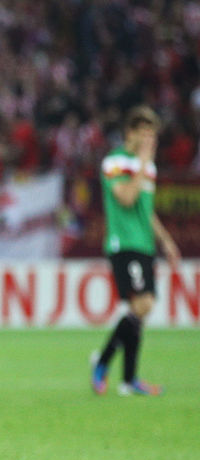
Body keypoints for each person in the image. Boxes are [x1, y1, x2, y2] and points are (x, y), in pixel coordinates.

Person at [91, 106, 181, 396]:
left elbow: (146, 210)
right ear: (129, 134)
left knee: (140, 309)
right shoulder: (115, 162)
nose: (150, 143)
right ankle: (103, 362)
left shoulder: (148, 168)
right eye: (144, 135)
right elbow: (127, 198)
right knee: (142, 305)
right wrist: (142, 162)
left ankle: (129, 381)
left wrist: (166, 240)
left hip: (144, 243)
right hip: (123, 242)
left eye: (153, 137)